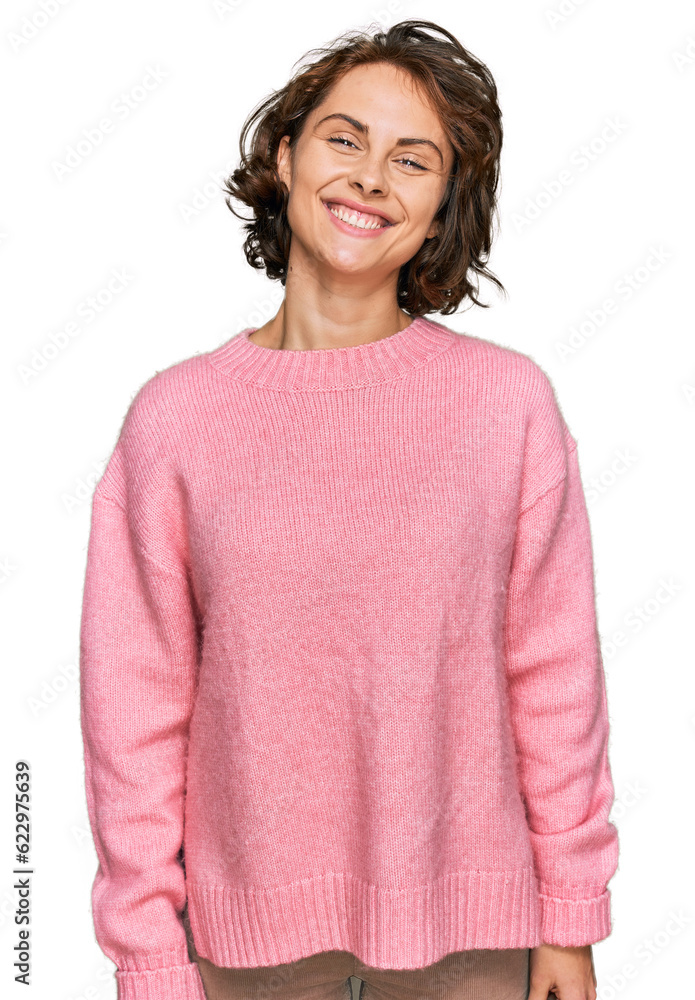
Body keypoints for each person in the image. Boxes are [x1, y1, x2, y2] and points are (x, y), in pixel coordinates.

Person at [79, 19, 619, 1000]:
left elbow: (555, 680)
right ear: (286, 157)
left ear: (443, 203)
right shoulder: (175, 420)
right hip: (242, 950)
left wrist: (570, 916)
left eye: (411, 160)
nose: (370, 177)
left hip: (472, 938)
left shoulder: (506, 406)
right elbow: (134, 715)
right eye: (344, 139)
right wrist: (147, 953)